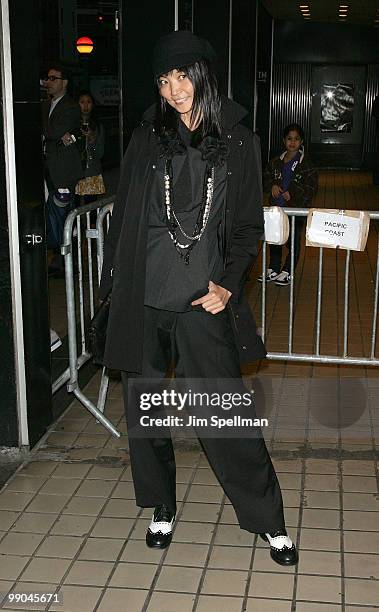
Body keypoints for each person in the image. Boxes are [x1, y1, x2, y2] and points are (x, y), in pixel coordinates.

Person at [99, 30, 298, 567]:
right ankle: (160, 505)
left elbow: (245, 230)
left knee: (223, 415)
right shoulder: (147, 135)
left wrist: (227, 285)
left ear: (203, 76)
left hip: (202, 300)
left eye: (182, 76)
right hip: (143, 295)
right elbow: (122, 222)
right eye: (164, 80)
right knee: (145, 415)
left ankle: (267, 520)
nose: (174, 89)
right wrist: (111, 289)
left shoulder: (237, 140)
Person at [260, 123, 318, 286]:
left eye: (296, 139)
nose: (292, 142)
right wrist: (272, 185)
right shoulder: (275, 162)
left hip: (295, 210)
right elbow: (266, 180)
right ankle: (273, 268)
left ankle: (288, 270)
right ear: (284, 141)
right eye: (289, 139)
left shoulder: (306, 164)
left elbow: (311, 188)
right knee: (274, 239)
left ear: (302, 142)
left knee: (293, 241)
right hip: (276, 208)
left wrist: (294, 194)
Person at [42, 64, 83, 276]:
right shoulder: (46, 105)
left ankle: (67, 263)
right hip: (50, 170)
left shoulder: (70, 107)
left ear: (64, 82)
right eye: (47, 78)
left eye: (53, 78)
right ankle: (58, 261)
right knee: (53, 216)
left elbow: (54, 131)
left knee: (63, 215)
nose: (48, 82)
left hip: (63, 173)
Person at [75, 91, 106, 204]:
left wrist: (92, 141)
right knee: (75, 208)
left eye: (89, 102)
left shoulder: (98, 126)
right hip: (75, 171)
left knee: (91, 209)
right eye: (82, 102)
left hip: (91, 171)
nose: (85, 106)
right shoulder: (72, 124)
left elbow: (100, 153)